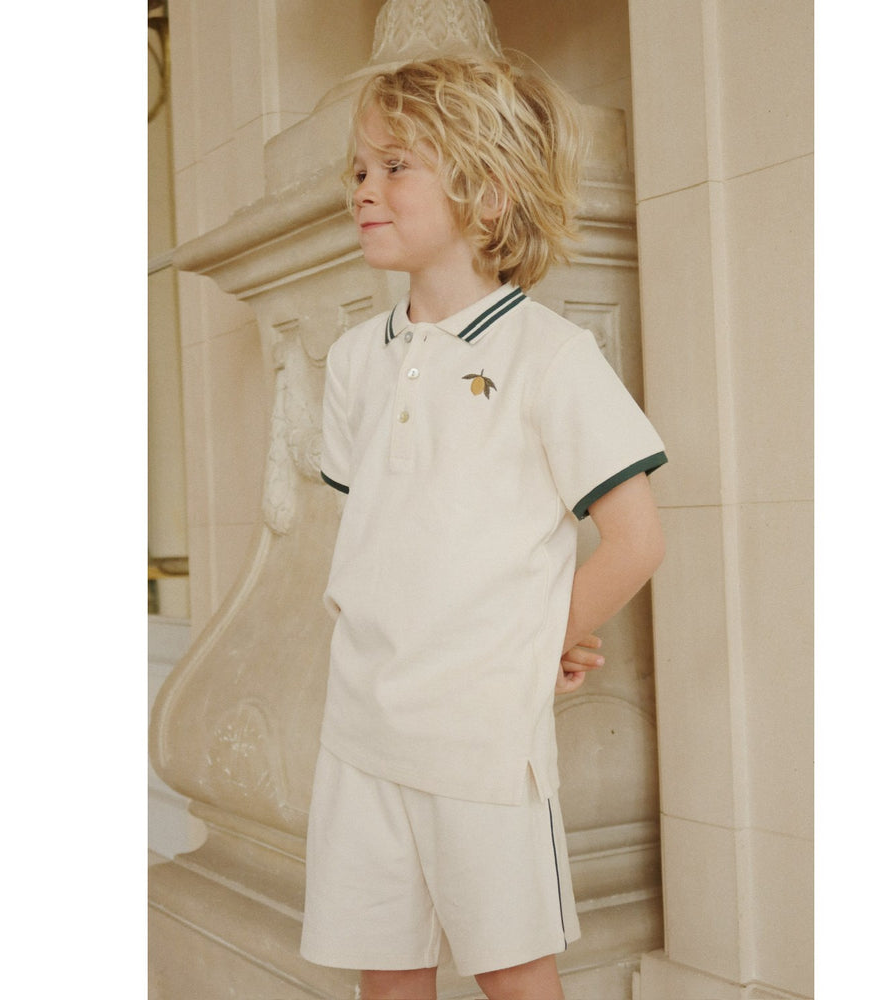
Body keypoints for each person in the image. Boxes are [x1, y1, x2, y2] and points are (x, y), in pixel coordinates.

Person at [301, 56, 667, 1000]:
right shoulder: (353, 362)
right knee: (387, 974)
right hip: (360, 726)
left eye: (396, 166)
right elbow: (391, 541)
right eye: (359, 169)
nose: (364, 189)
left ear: (488, 194)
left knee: (514, 974)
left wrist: (537, 641)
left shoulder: (552, 356)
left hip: (481, 740)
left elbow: (636, 540)